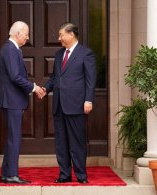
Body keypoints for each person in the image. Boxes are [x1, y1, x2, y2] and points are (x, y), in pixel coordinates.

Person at [43, 22, 96, 183]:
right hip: (59, 105)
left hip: (76, 105)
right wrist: (45, 89)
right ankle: (64, 175)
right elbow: (55, 77)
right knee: (61, 144)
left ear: (71, 34)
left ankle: (81, 175)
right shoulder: (59, 54)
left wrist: (88, 100)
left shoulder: (86, 53)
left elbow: (90, 79)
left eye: (61, 35)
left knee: (77, 143)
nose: (59, 38)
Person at [0, 21, 44, 184]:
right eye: (26, 34)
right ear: (18, 34)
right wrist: (34, 88)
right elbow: (15, 76)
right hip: (12, 100)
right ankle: (11, 175)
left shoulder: (12, 49)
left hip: (12, 100)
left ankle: (6, 173)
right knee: (14, 138)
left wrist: (34, 86)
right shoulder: (10, 49)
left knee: (13, 137)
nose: (28, 37)